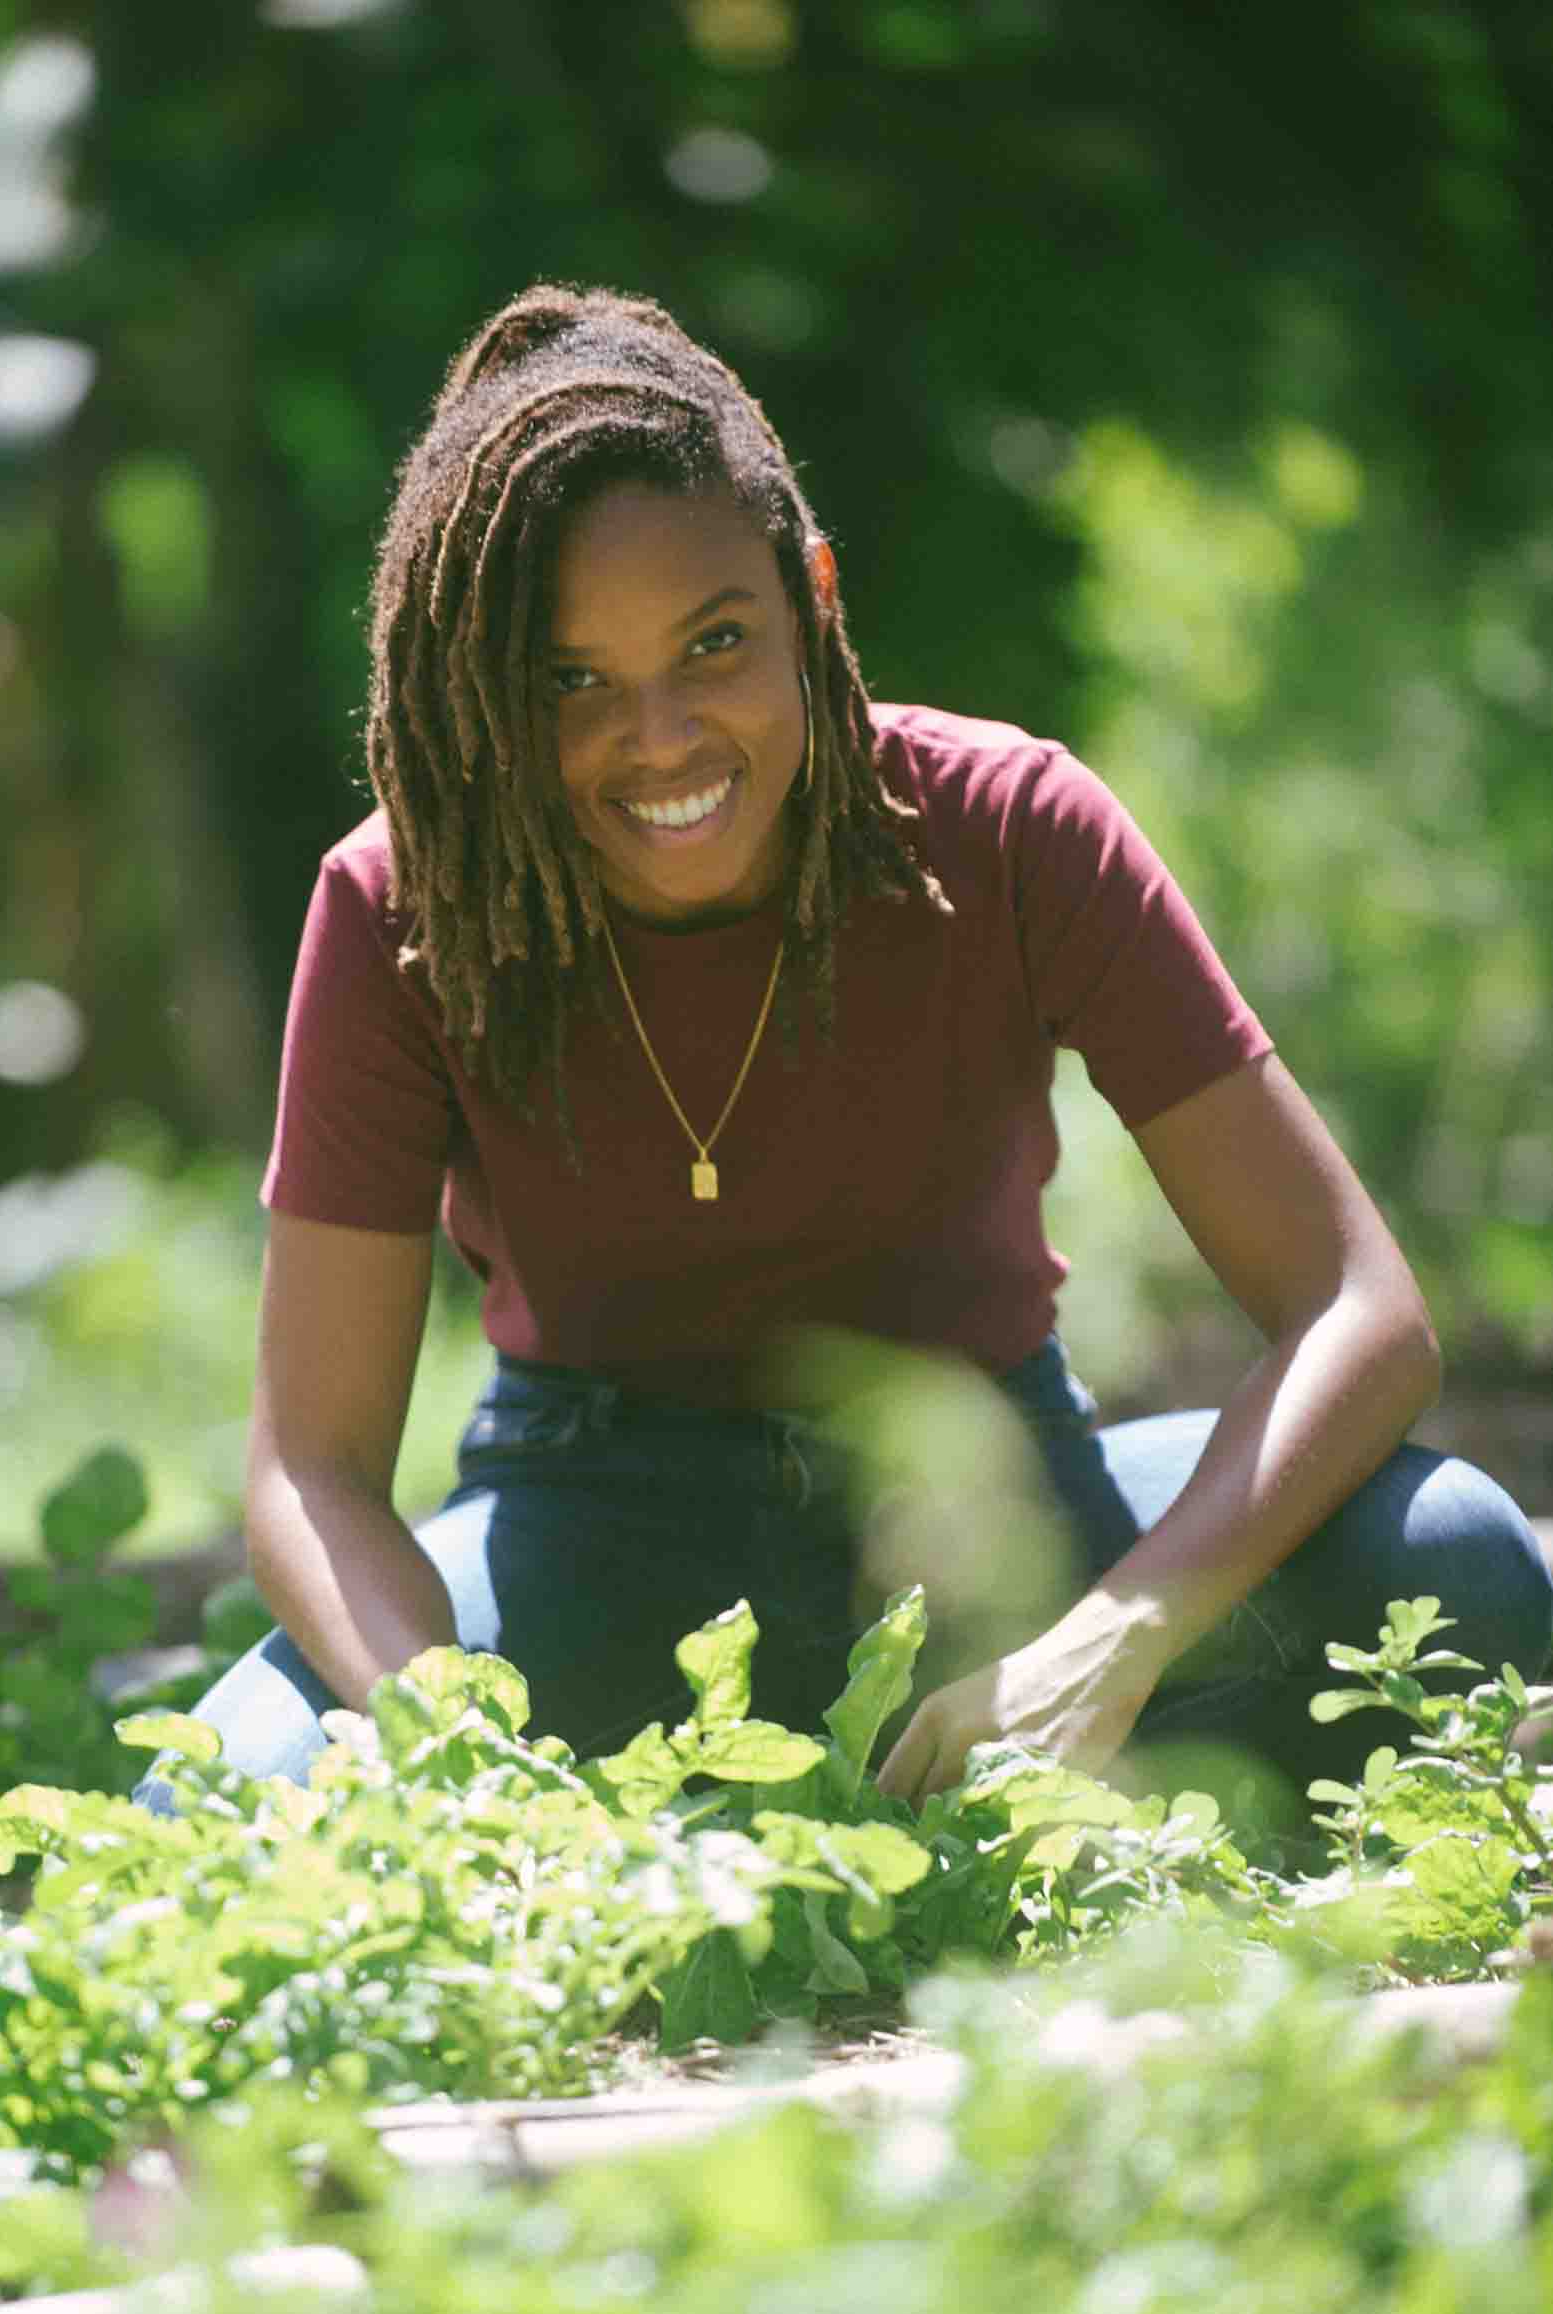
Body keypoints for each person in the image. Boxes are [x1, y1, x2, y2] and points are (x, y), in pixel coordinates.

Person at [176, 282, 1552, 1838]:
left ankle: (953, 1808)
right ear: (484, 689)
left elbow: (1357, 1311)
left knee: (1457, 1561)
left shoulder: (1013, 827)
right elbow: (311, 1468)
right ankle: (726, 1839)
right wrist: (452, 1751)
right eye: (571, 681)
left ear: (810, 596)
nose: (663, 736)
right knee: (218, 1798)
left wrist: (1110, 1636)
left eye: (715, 644)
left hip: (990, 1527)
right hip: (590, 1535)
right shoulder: (402, 906)